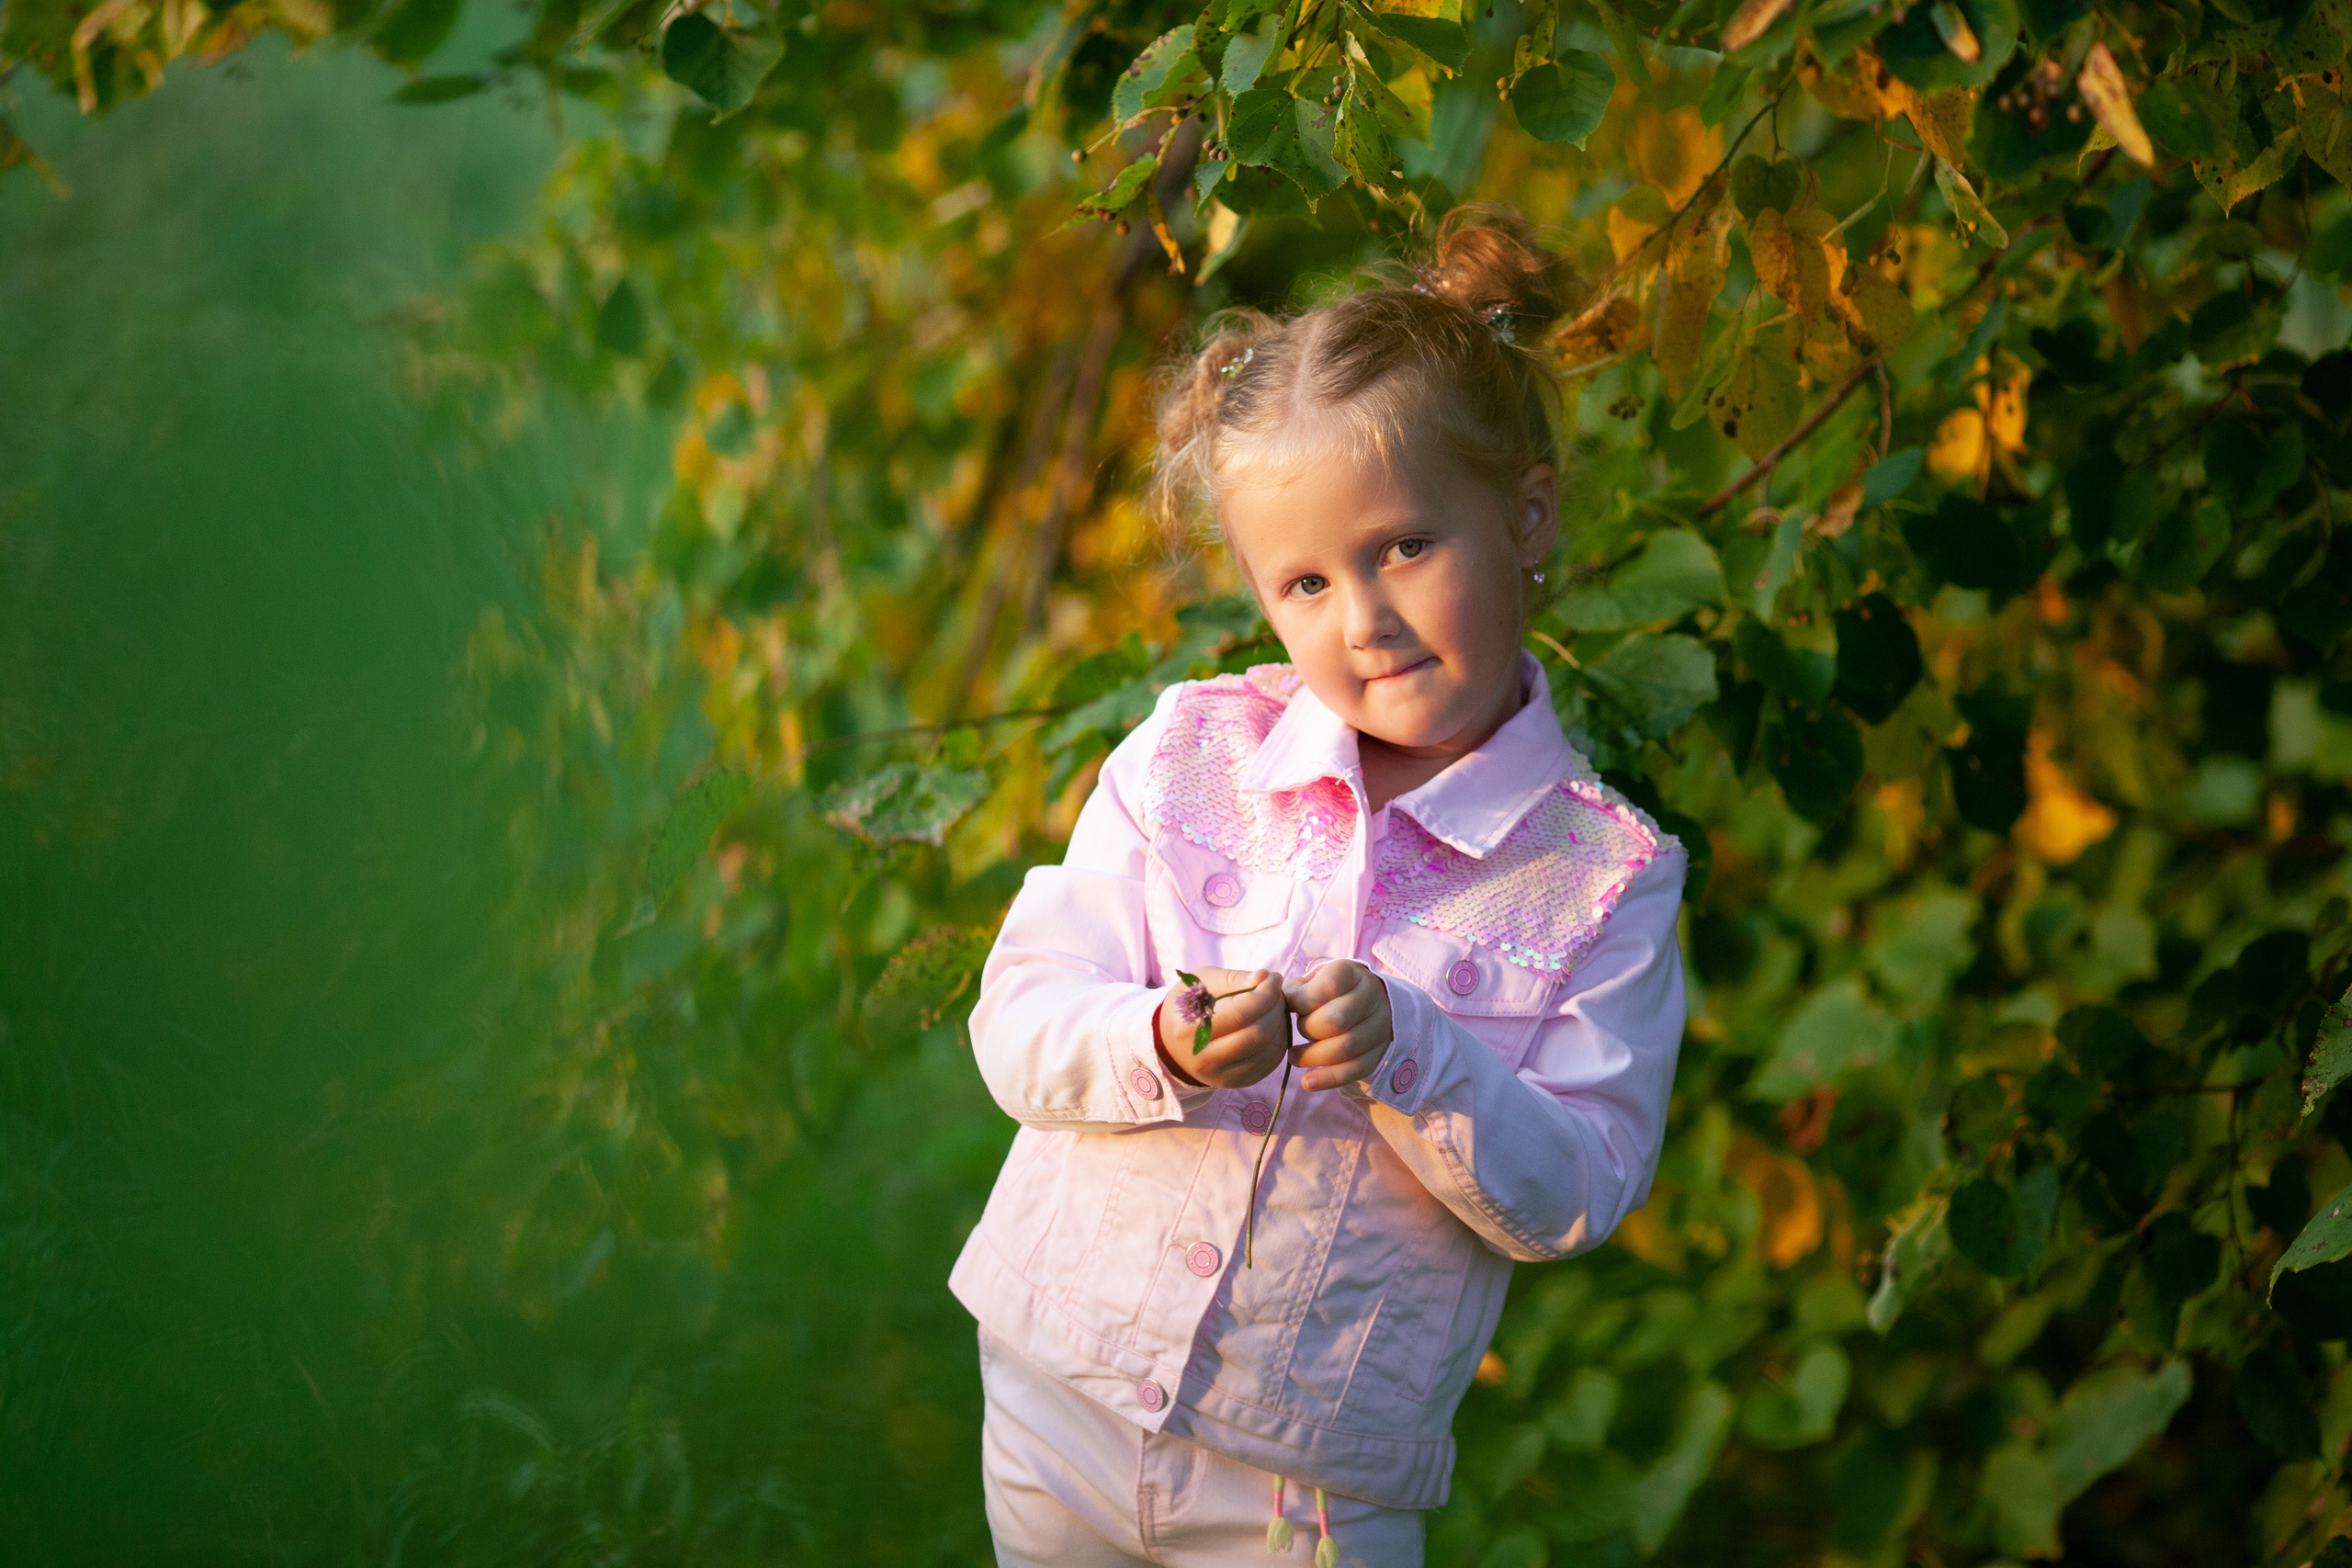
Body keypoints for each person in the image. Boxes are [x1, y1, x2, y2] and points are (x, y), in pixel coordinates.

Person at [949, 205, 1689, 1565]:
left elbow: (1580, 1187)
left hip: (1308, 1495)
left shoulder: (1599, 877)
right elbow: (1019, 1016)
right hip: (1059, 1404)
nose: (1365, 619)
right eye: (1304, 581)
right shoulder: (1191, 755)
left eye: (1404, 546)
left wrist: (1418, 1056)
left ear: (1526, 512)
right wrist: (1160, 1039)